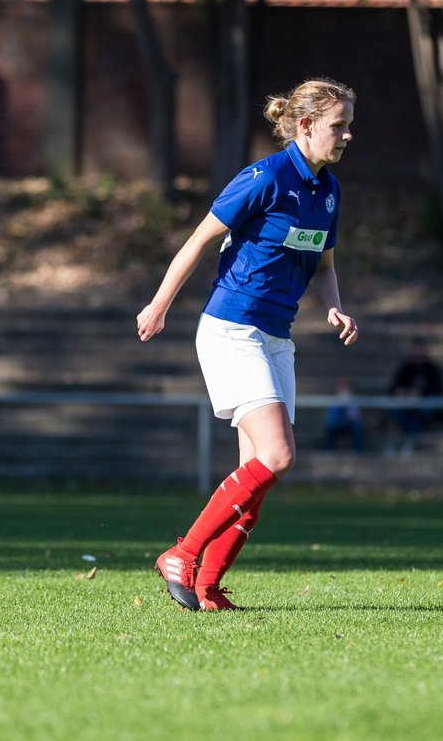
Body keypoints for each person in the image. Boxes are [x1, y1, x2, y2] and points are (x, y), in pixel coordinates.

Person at [135, 77, 359, 612]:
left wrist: (334, 303)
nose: (347, 135)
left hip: (276, 339)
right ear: (305, 127)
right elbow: (198, 240)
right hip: (232, 330)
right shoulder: (264, 177)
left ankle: (208, 586)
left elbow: (324, 265)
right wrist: (159, 303)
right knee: (277, 455)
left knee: (258, 476)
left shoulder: (327, 192)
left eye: (349, 125)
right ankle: (183, 553)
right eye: (338, 125)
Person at [388, 337, 443, 449]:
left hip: (425, 403)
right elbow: (394, 389)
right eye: (416, 350)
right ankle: (414, 437)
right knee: (395, 410)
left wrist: (421, 395)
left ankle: (410, 439)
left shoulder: (433, 369)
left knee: (427, 407)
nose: (418, 353)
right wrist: (404, 393)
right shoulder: (405, 368)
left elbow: (437, 389)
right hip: (406, 404)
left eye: (421, 350)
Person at [323, 377, 364, 452]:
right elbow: (332, 418)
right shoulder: (335, 401)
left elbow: (355, 416)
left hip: (349, 425)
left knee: (356, 428)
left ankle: (359, 451)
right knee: (331, 428)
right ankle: (327, 451)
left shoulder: (352, 401)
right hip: (337, 425)